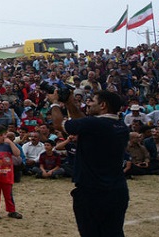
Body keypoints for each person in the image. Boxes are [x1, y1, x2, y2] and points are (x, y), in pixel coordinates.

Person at [50, 90, 130, 237]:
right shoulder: (121, 126)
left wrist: (54, 103)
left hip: (92, 192)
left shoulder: (93, 123)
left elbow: (58, 124)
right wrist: (69, 103)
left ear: (103, 105)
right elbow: (84, 123)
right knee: (113, 232)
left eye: (92, 100)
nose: (88, 103)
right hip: (117, 191)